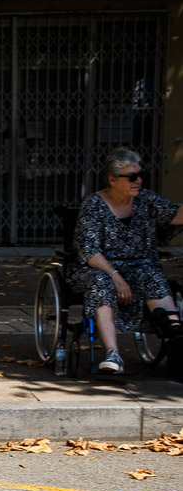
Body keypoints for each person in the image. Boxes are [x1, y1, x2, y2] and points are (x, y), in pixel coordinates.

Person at [69, 147, 183, 373]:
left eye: (140, 175)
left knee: (151, 276)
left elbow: (173, 214)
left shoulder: (146, 200)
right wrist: (117, 278)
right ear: (112, 179)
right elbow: (90, 253)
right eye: (132, 177)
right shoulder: (94, 205)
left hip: (139, 267)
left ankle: (177, 339)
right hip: (99, 268)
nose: (138, 180)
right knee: (101, 283)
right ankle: (113, 354)